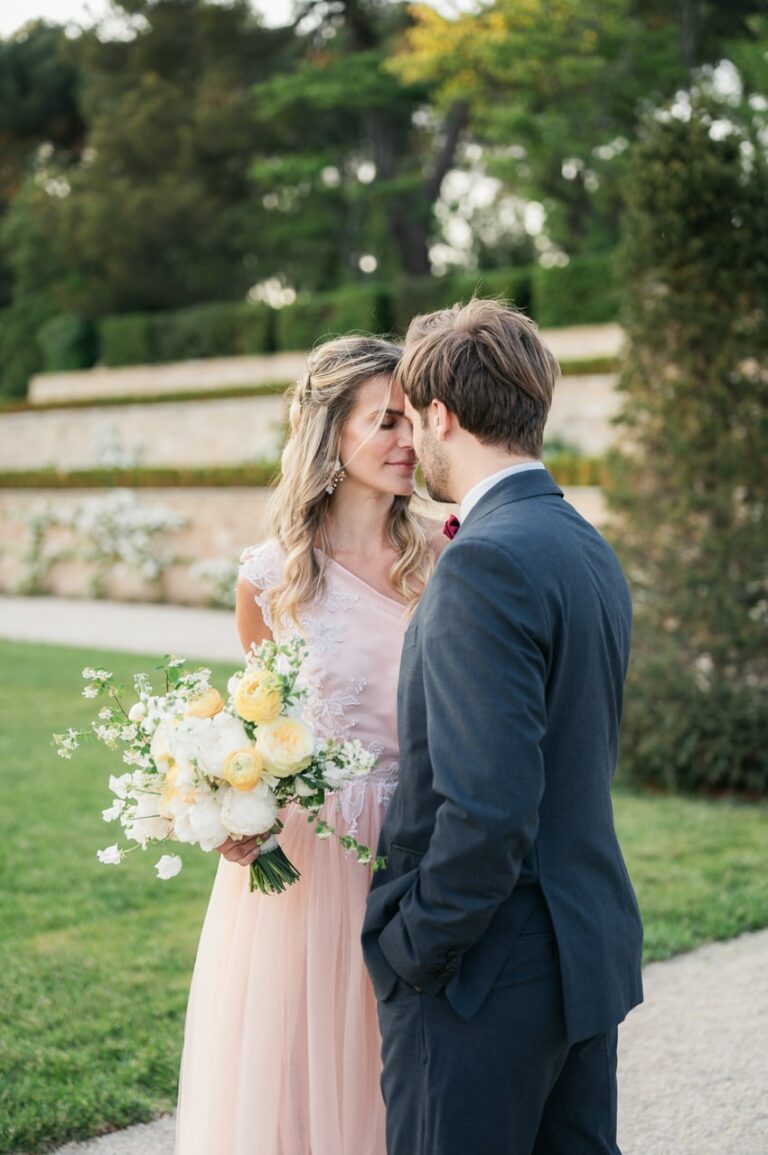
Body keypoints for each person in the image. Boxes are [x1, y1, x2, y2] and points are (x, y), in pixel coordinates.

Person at [362, 298, 644, 1155]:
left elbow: (488, 809)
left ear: (442, 415)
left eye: (413, 418)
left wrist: (417, 947)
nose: (412, 441)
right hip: (581, 957)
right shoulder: (582, 541)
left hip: (485, 979)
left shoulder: (483, 559)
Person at [175, 335, 443, 1155]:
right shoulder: (271, 579)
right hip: (313, 862)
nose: (410, 442)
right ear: (332, 431)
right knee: (307, 1064)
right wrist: (231, 804)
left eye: (417, 421)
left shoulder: (446, 553)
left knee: (407, 1069)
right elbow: (260, 732)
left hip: (421, 840)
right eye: (387, 421)